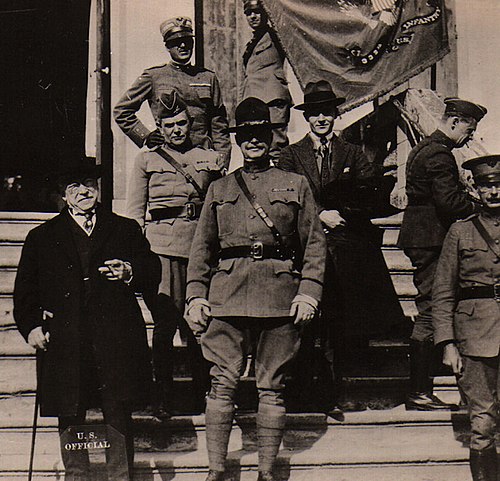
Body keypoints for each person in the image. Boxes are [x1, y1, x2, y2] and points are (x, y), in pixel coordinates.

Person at [185, 97, 326, 481]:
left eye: (260, 134)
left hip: (280, 296)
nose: (253, 142)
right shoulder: (220, 188)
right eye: (246, 136)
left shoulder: (294, 184)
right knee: (222, 383)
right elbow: (202, 247)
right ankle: (216, 470)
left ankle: (266, 472)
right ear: (238, 140)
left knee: (272, 386)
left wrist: (309, 292)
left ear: (270, 137)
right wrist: (196, 294)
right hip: (226, 297)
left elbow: (314, 243)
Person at [13, 160, 161, 481]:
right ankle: (77, 475)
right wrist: (33, 327)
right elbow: (25, 292)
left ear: (99, 188)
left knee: (117, 408)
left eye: (90, 184)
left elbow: (152, 269)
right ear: (64, 196)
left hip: (115, 335)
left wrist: (129, 271)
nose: (84, 191)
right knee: (70, 409)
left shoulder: (124, 228)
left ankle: (120, 476)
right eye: (74, 186)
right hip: (66, 337)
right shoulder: (42, 237)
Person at [278, 80, 405, 413]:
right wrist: (319, 214)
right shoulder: (291, 155)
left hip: (346, 251)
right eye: (315, 113)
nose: (322, 119)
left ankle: (337, 391)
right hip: (305, 249)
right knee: (306, 324)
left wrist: (342, 212)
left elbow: (368, 193)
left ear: (335, 115)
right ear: (307, 118)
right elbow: (287, 197)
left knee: (340, 324)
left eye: (327, 113)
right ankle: (305, 393)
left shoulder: (352, 153)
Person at [126, 91, 225, 417]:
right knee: (166, 324)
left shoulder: (207, 157)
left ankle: (202, 395)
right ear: (160, 126)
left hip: (198, 249)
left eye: (182, 124)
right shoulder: (147, 160)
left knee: (200, 323)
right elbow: (135, 215)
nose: (177, 130)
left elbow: (220, 204)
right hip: (161, 251)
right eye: (170, 125)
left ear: (190, 124)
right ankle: (163, 398)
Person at [398, 97, 487, 410]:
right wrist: (483, 207)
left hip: (424, 237)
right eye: (469, 128)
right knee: (433, 309)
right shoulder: (439, 153)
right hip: (431, 239)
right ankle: (418, 390)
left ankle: (420, 387)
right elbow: (449, 203)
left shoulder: (427, 147)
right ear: (453, 122)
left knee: (432, 305)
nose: (470, 136)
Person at [433, 154, 500, 481]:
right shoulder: (460, 232)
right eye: (488, 186)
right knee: (483, 422)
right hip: (474, 336)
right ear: (476, 188)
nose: (494, 193)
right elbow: (443, 291)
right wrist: (447, 343)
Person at [113, 16, 231, 165]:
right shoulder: (154, 76)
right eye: (176, 42)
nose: (183, 45)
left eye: (187, 41)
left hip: (203, 159)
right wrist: (145, 136)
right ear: (167, 47)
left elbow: (219, 124)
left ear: (193, 43)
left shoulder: (208, 78)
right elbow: (122, 110)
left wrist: (222, 160)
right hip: (169, 159)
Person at [241, 0, 292, 162]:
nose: (253, 16)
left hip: (272, 99)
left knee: (276, 148)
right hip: (253, 101)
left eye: (257, 12)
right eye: (248, 13)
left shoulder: (276, 34)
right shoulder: (253, 40)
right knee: (255, 147)